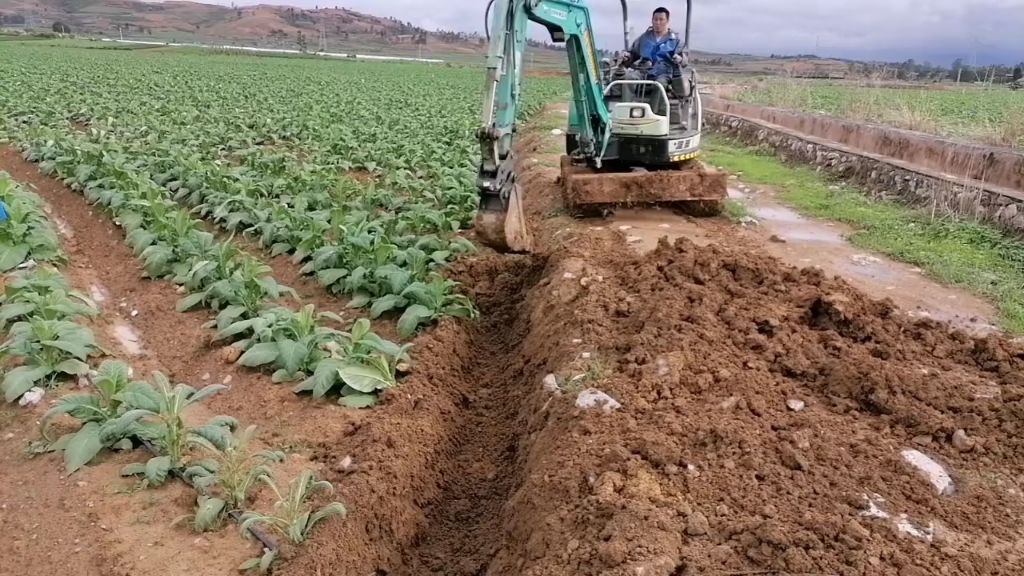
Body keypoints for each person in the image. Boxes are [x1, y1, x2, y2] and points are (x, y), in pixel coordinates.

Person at [613, 6, 687, 108]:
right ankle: (627, 108)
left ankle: (652, 114)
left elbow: (683, 59)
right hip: (643, 71)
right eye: (655, 19)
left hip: (663, 72)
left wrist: (680, 59)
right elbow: (632, 53)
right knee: (628, 78)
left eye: (661, 20)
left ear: (667, 21)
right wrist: (627, 56)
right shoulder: (644, 38)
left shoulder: (675, 40)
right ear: (652, 20)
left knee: (660, 84)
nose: (658, 23)